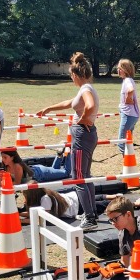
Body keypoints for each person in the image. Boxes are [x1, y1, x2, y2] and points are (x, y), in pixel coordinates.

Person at [36, 52, 100, 231]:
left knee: (78, 177)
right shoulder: (87, 88)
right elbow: (70, 102)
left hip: (82, 136)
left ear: (75, 75)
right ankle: (91, 212)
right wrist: (49, 108)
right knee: (85, 176)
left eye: (71, 76)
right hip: (87, 135)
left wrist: (81, 121)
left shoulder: (85, 90)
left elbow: (89, 106)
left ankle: (90, 218)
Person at [21, 188, 140, 225]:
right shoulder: (45, 194)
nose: (24, 200)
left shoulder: (45, 200)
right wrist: (19, 214)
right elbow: (35, 214)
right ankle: (115, 195)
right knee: (97, 197)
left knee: (103, 205)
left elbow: (41, 218)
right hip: (74, 197)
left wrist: (20, 220)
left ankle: (135, 204)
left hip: (77, 207)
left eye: (25, 196)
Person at [117, 59, 140, 155]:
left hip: (128, 115)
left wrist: (128, 98)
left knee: (121, 142)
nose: (118, 71)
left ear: (125, 70)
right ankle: (129, 167)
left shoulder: (127, 81)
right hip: (132, 115)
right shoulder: (128, 80)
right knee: (128, 140)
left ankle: (127, 165)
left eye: (120, 69)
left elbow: (130, 90)